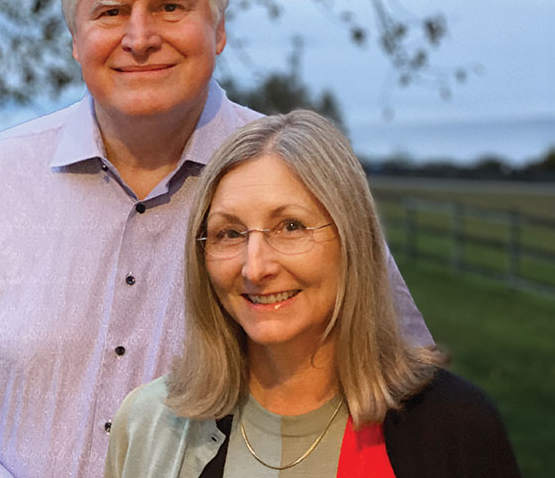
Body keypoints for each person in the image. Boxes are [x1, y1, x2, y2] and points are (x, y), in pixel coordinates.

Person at [0, 0, 433, 478]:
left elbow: (397, 378)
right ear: (74, 38)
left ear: (220, 29)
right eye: (110, 13)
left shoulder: (299, 179)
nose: (139, 38)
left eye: (170, 6)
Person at [104, 110, 520, 478]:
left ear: (351, 239)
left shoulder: (454, 427)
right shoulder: (148, 423)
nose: (255, 267)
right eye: (229, 233)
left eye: (290, 227)